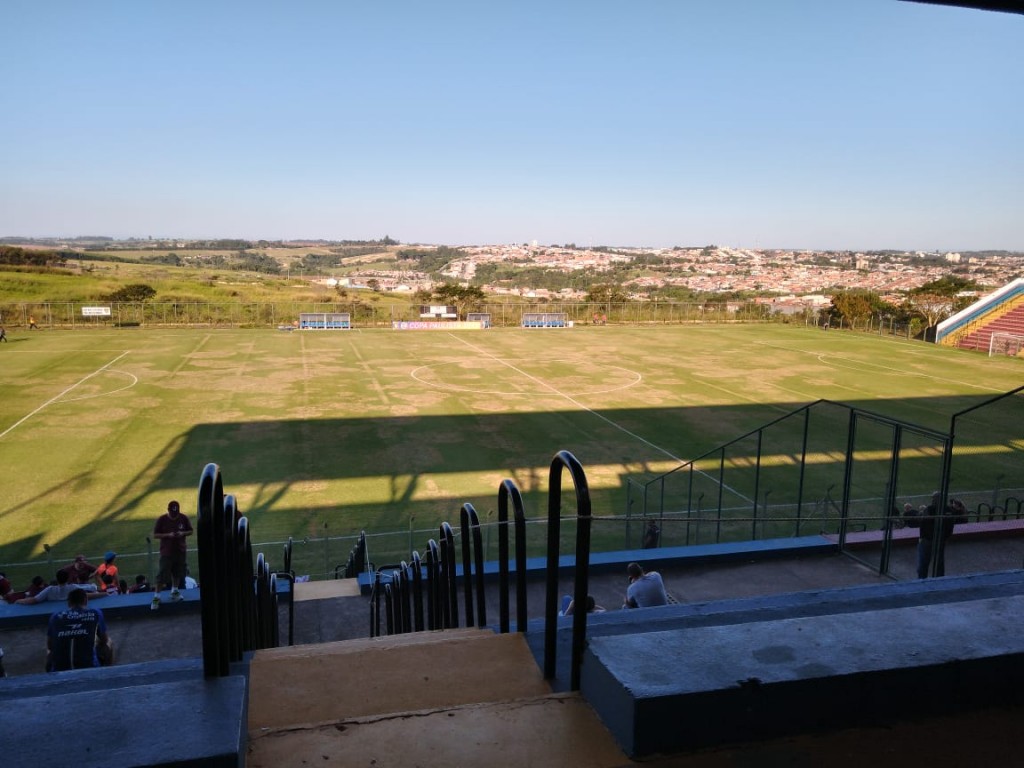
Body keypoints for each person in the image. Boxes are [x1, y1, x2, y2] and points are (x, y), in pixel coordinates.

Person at [903, 492, 968, 578]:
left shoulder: (930, 509)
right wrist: (945, 537)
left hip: (927, 540)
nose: (933, 500)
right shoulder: (948, 510)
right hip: (940, 539)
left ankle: (922, 581)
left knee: (924, 563)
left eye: (934, 498)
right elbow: (950, 526)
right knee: (939, 563)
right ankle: (938, 580)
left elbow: (921, 521)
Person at [46, 588, 112, 672]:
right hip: (90, 666)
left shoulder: (55, 616)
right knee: (108, 642)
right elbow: (104, 639)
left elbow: (50, 645)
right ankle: (109, 672)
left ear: (69, 603)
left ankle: (50, 674)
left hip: (59, 669)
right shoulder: (95, 613)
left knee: (49, 651)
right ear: (86, 601)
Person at [151, 499, 193, 609]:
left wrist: (182, 533)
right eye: (172, 514)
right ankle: (156, 597)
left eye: (176, 513)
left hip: (180, 550)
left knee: (178, 572)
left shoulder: (183, 518)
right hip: (167, 551)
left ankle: (175, 591)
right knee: (162, 573)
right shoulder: (162, 519)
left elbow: (190, 531)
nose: (174, 516)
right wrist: (168, 535)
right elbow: (155, 535)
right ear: (168, 510)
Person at [17, 569, 103, 604]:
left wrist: (19, 601)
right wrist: (104, 593)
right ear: (68, 579)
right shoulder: (72, 587)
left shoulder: (49, 589)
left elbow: (34, 600)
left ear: (57, 579)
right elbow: (92, 588)